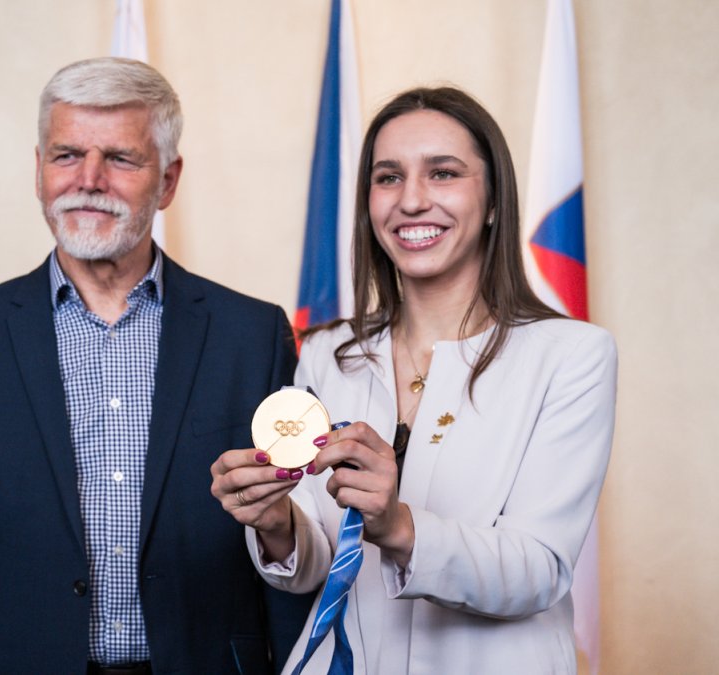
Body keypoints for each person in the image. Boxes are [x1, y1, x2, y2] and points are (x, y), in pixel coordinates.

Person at [0, 57, 311, 674]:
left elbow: (283, 536)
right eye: (65, 156)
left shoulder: (252, 335)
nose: (89, 180)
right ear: (38, 172)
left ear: (167, 180)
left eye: (120, 158)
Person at [211, 87, 617, 673]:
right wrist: (275, 521)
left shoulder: (572, 356)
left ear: (495, 199)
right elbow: (314, 567)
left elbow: (539, 570)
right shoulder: (328, 353)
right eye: (388, 177)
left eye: (443, 173)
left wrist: (396, 524)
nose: (412, 200)